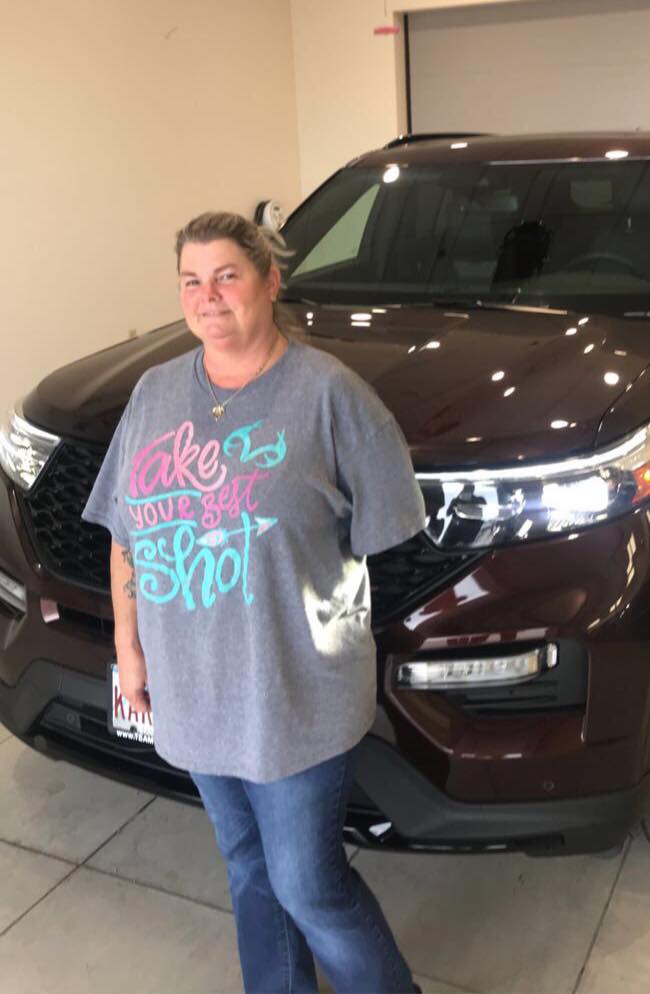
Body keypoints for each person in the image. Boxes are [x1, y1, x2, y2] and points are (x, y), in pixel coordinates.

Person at [81, 211, 426, 994]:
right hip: (193, 688)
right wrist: (130, 647)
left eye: (226, 276)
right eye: (191, 281)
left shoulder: (332, 396)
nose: (208, 297)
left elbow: (388, 543)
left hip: (294, 691)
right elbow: (128, 531)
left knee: (308, 884)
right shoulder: (155, 392)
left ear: (270, 282)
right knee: (246, 865)